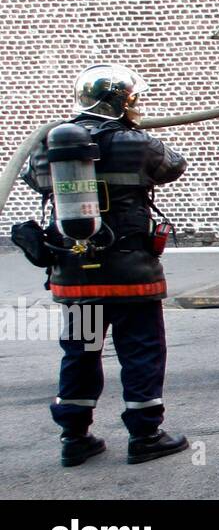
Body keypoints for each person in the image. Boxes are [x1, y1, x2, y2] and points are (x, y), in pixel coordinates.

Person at [23, 64, 190, 467]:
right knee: (141, 350)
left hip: (76, 276)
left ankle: (74, 437)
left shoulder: (50, 142)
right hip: (132, 276)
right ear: (122, 101)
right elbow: (174, 165)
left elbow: (32, 179)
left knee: (80, 351)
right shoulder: (137, 142)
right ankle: (146, 434)